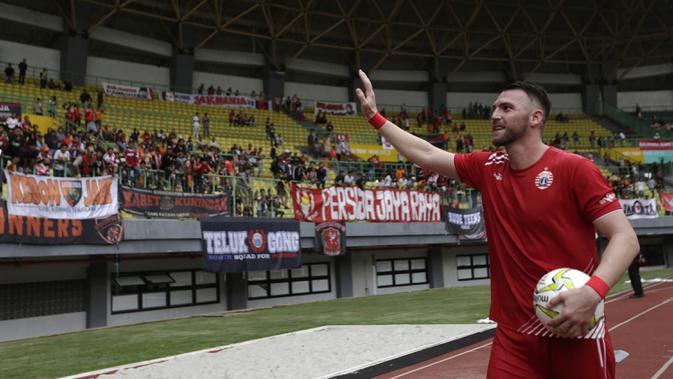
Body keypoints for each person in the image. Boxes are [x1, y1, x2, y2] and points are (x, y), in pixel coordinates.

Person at [355, 69, 639, 378]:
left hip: (577, 329)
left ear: (535, 118)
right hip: (514, 338)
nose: (495, 114)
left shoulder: (574, 169)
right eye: (494, 108)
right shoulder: (487, 168)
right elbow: (426, 153)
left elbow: (625, 237)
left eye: (506, 108)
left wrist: (593, 292)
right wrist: (375, 117)